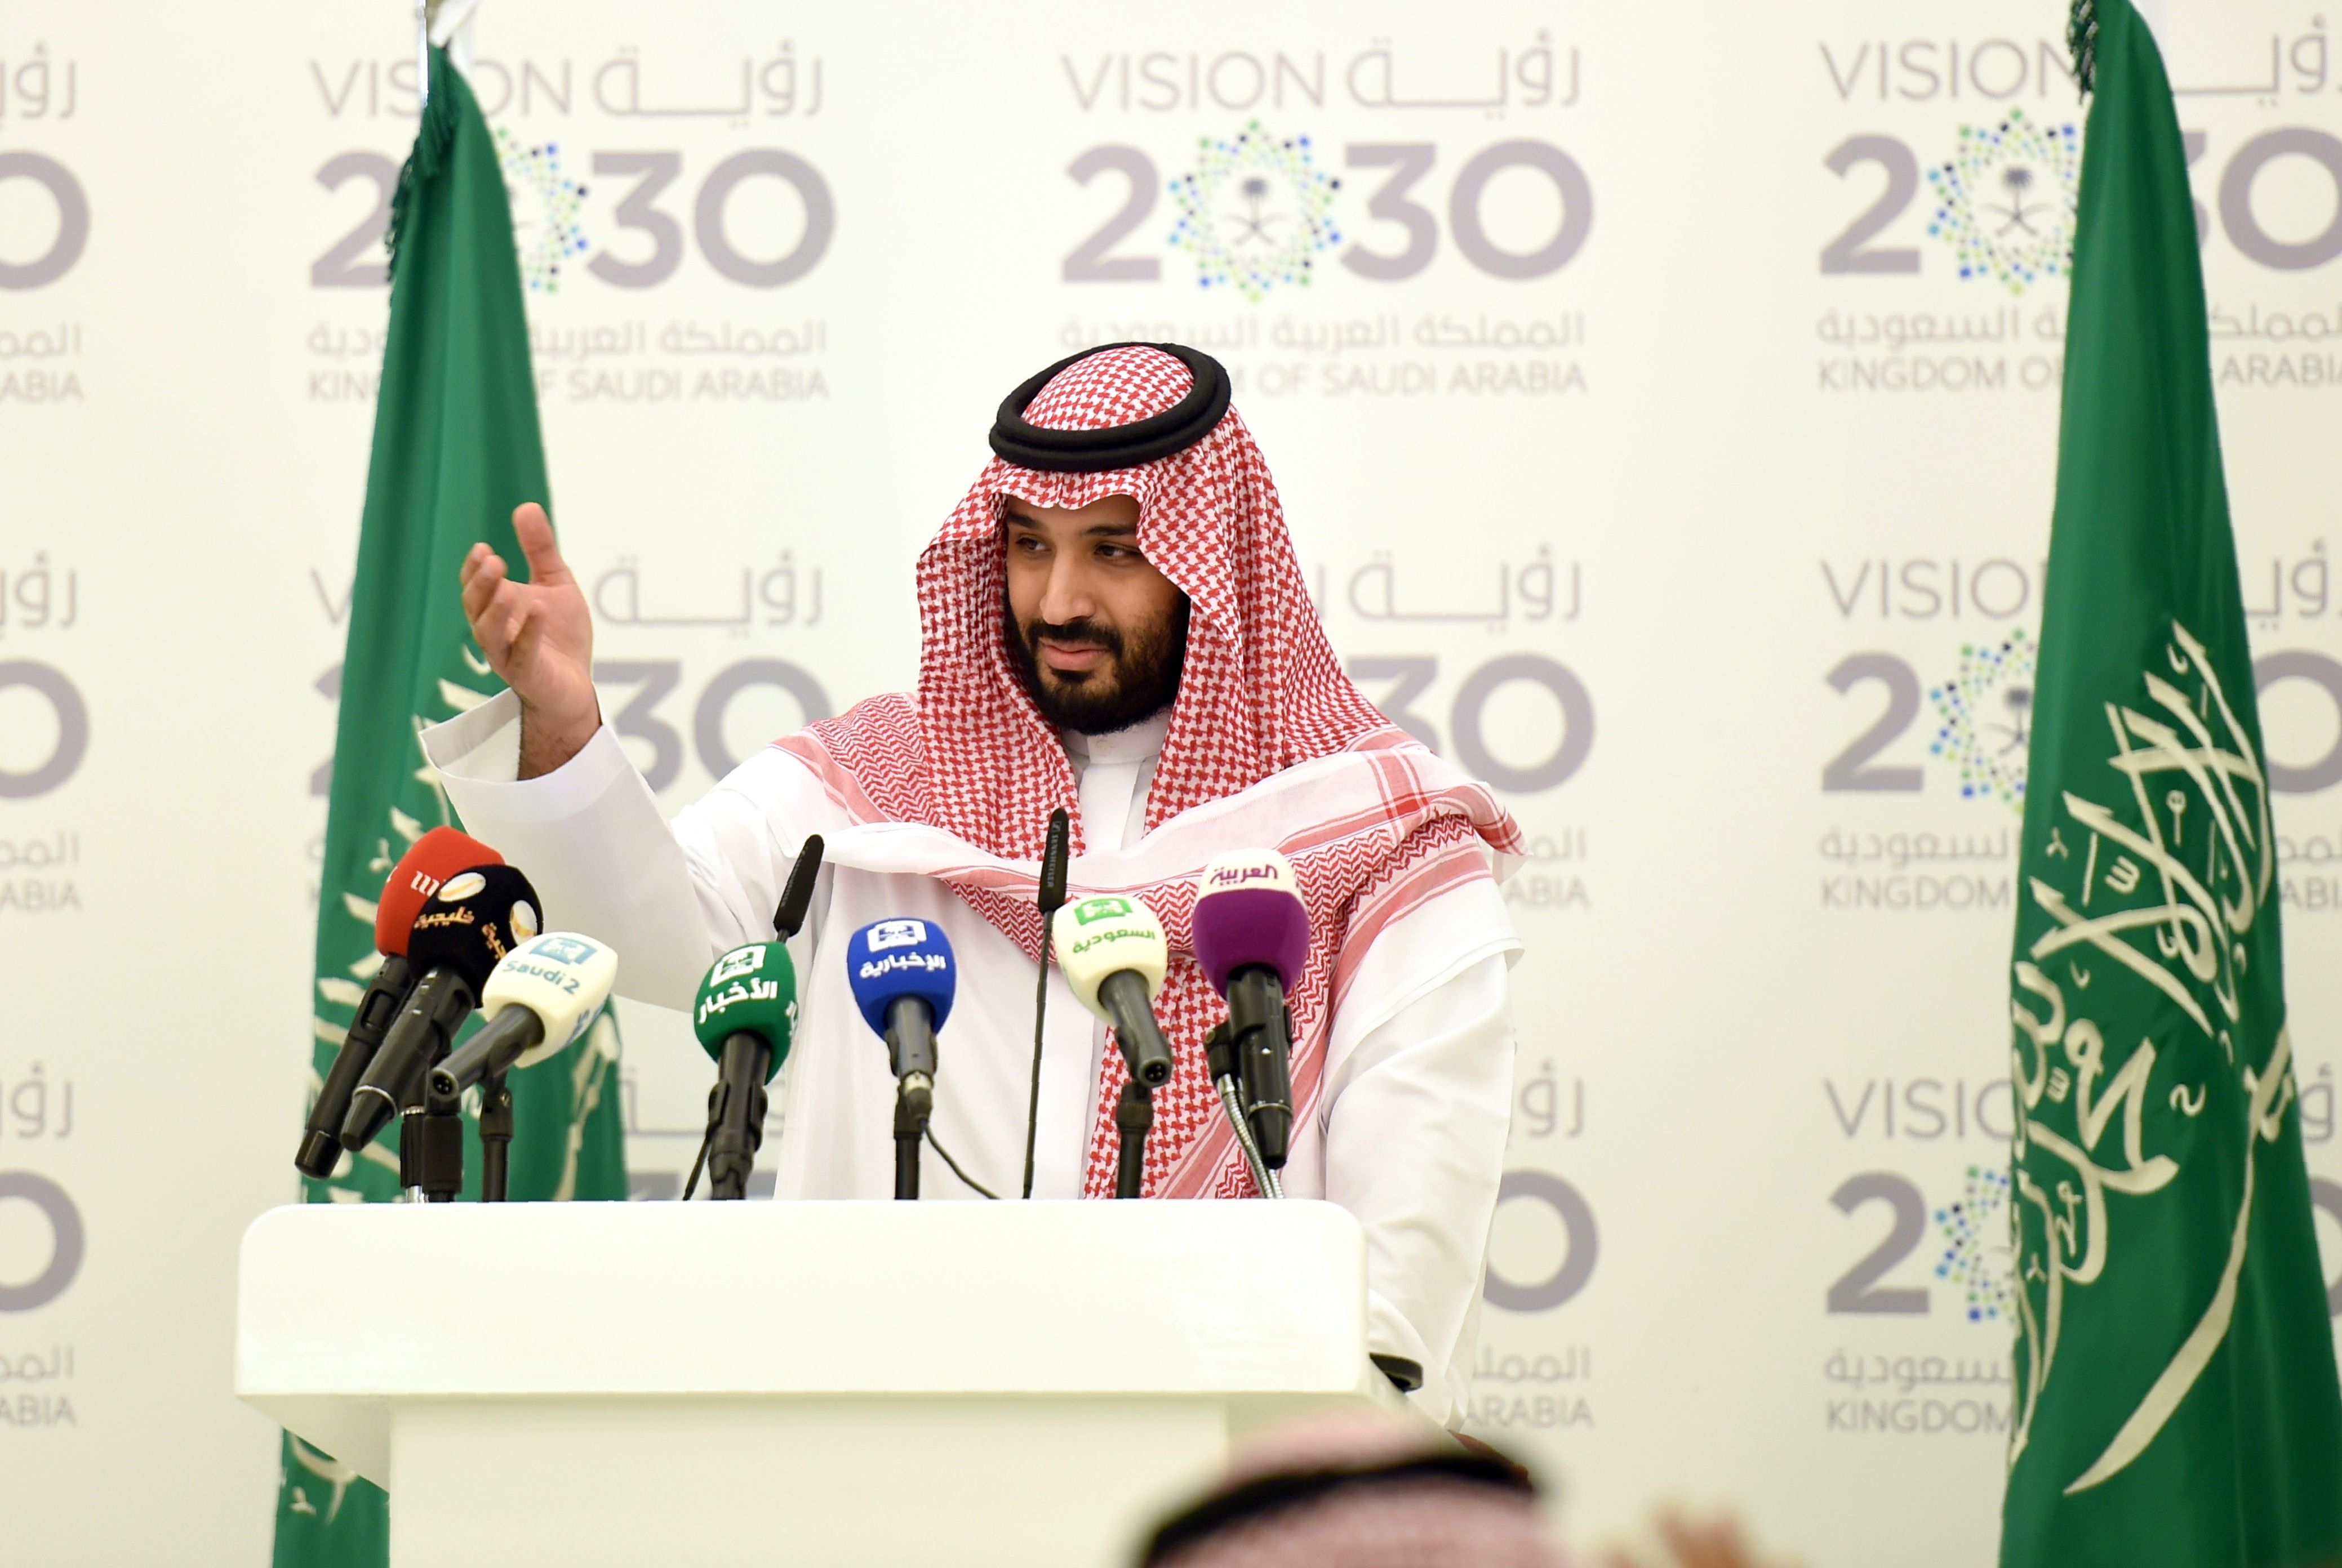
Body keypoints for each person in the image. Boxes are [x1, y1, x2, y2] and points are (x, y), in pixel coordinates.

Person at [423, 342, 1526, 1423]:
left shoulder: (1377, 838)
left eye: (1113, 550)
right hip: (881, 1452)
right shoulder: (875, 785)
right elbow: (650, 929)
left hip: (1222, 1476)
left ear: (1211, 560)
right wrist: (562, 727)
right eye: (1030, 545)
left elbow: (1401, 1267)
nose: (1059, 600)